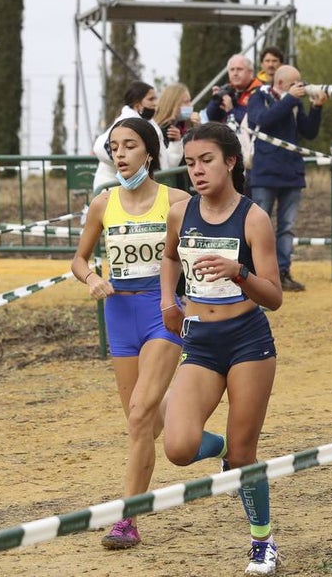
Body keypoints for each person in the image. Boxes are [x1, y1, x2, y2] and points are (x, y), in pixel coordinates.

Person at [159, 122, 284, 574]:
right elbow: (170, 256)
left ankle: (262, 541)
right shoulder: (180, 212)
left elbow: (274, 296)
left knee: (246, 453)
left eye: (206, 160)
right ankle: (223, 454)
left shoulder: (254, 218)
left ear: (231, 161)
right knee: (177, 447)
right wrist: (167, 299)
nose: (196, 170)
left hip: (248, 341)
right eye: (190, 163)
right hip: (202, 343)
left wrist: (238, 272)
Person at [71, 118, 197, 550]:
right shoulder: (103, 204)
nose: (120, 154)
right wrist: (91, 279)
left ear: (150, 152)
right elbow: (79, 259)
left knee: (141, 414)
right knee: (144, 421)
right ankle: (206, 442)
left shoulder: (177, 201)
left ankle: (128, 519)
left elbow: (201, 250)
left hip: (161, 312)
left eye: (129, 145)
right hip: (118, 316)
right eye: (114, 147)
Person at [246, 64, 328, 292]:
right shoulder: (259, 96)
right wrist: (289, 100)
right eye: (295, 83)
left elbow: (309, 132)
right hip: (265, 173)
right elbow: (261, 120)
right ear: (280, 84)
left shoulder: (294, 103)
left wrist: (317, 108)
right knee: (257, 225)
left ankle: (283, 272)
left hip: (291, 173)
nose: (300, 87)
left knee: (287, 227)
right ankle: (254, 274)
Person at [91, 81, 179, 191]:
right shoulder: (125, 123)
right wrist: (127, 165)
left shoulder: (150, 123)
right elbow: (100, 148)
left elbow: (163, 161)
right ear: (138, 104)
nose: (155, 103)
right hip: (113, 189)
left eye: (130, 146)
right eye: (151, 99)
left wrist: (176, 143)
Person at [151, 82, 200, 190]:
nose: (190, 106)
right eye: (186, 102)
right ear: (173, 104)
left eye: (190, 101)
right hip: (174, 188)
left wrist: (197, 128)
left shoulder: (183, 126)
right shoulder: (164, 130)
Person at [203, 53, 264, 126]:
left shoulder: (261, 91)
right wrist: (215, 102)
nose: (235, 73)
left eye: (239, 69)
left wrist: (231, 110)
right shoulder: (228, 89)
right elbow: (211, 117)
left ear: (250, 72)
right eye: (232, 70)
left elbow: (253, 121)